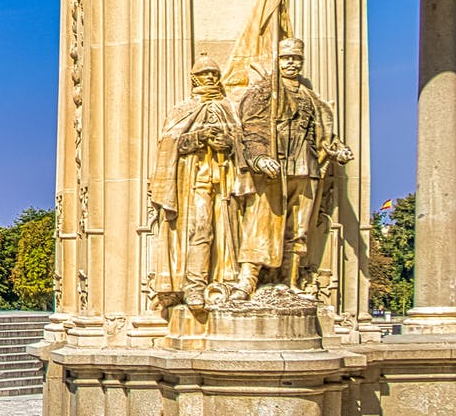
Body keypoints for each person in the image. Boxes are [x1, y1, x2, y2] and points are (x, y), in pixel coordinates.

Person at [233, 38, 353, 297]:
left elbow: (324, 133)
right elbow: (250, 127)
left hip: (305, 165)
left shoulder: (310, 96)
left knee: (299, 229)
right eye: (286, 58)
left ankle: (290, 280)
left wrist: (337, 148)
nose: (291, 63)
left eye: (296, 58)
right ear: (276, 61)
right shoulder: (264, 91)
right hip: (273, 168)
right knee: (260, 222)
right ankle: (247, 279)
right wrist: (259, 157)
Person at [147, 57, 242, 309]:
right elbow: (169, 144)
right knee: (201, 229)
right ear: (194, 77)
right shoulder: (183, 108)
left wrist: (229, 143)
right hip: (195, 179)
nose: (210, 77)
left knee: (226, 230)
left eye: (214, 72)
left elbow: (242, 141)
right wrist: (199, 137)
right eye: (205, 73)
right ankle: (194, 285)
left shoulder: (228, 108)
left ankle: (226, 281)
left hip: (226, 180)